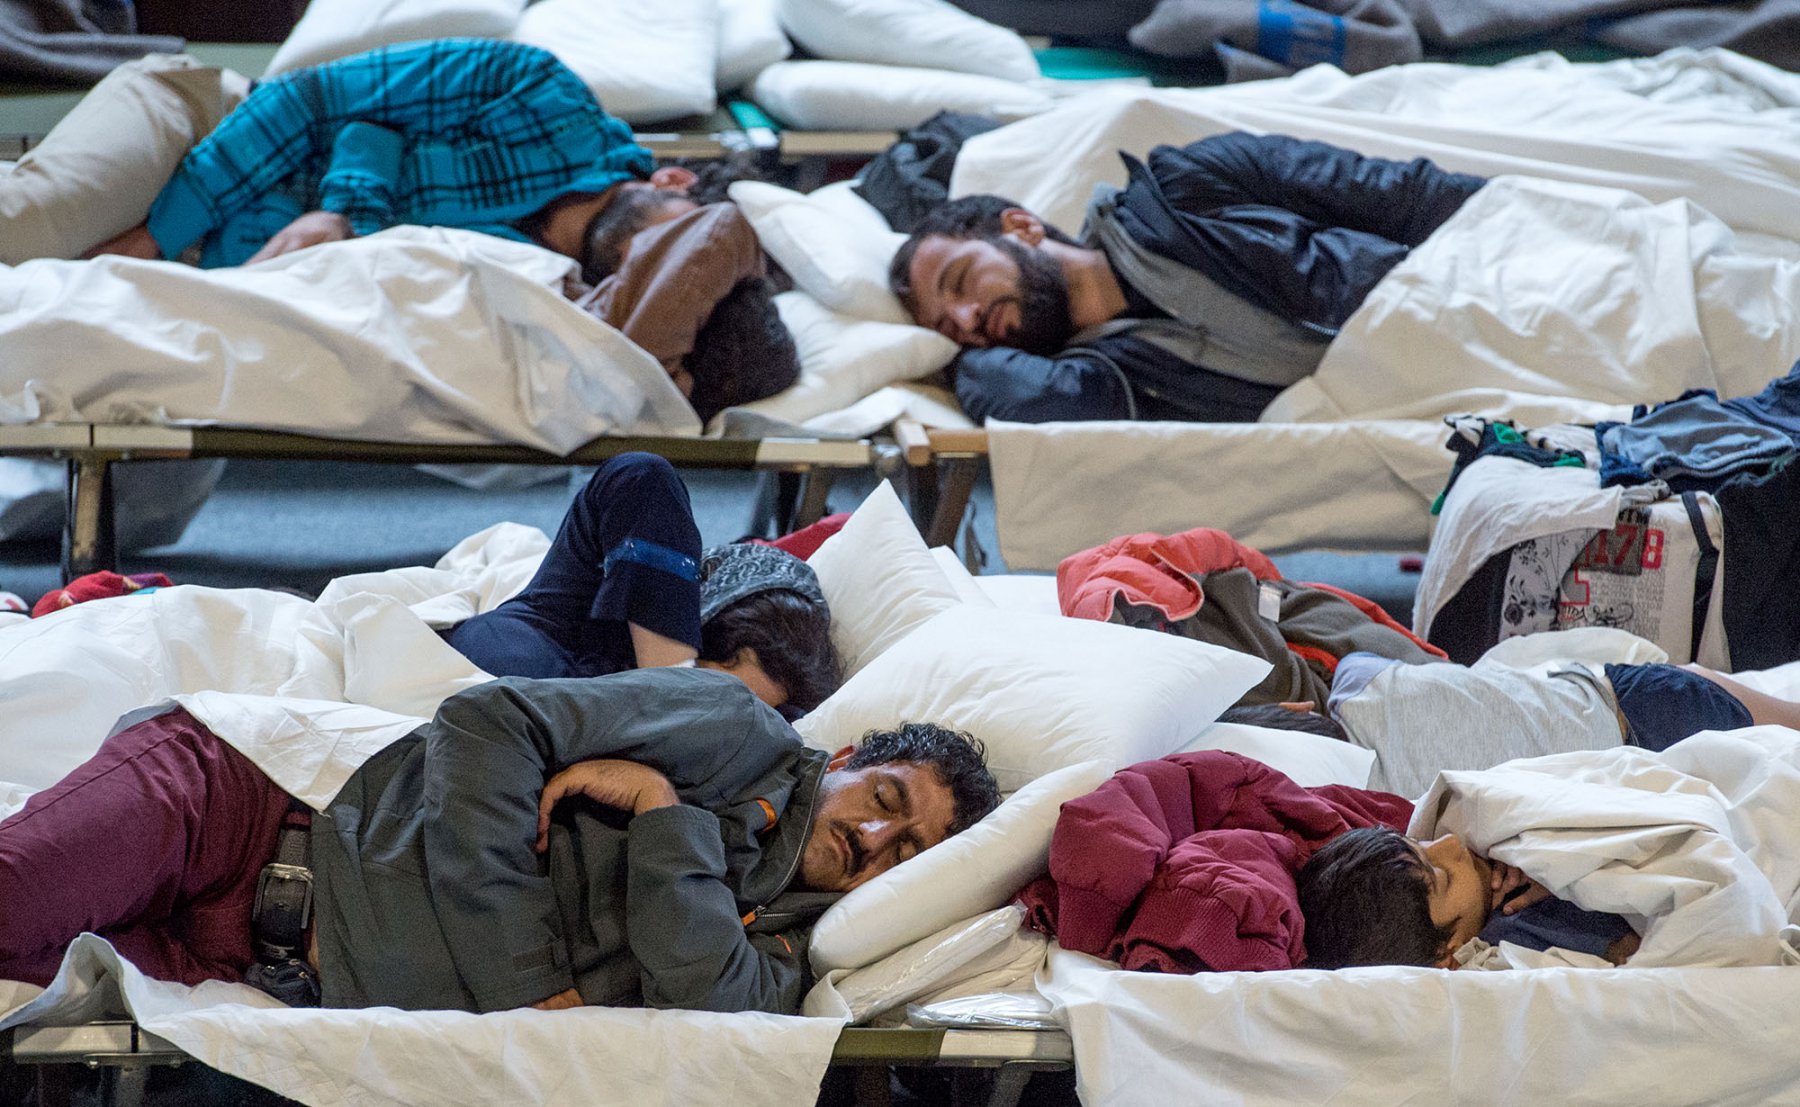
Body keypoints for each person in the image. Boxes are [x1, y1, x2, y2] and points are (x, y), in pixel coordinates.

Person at [0, 667, 1001, 1014]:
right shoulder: (738, 735)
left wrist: (663, 813)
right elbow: (486, 722)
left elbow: (709, 991)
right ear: (849, 756)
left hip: (240, 970)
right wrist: (527, 976)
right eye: (885, 797)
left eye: (908, 850)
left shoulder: (797, 950)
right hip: (241, 811)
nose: (875, 836)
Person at [888, 131, 1486, 423]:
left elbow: (1405, 196)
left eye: (962, 281)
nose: (967, 318)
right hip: (1434, 407)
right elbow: (1032, 397)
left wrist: (1518, 225)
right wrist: (956, 362)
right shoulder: (1101, 378)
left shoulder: (1189, 184)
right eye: (950, 329)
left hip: (1465, 305)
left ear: (1021, 227)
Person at [85, 38, 718, 277]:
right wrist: (157, 235)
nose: (673, 257)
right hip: (206, 134)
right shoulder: (542, 95)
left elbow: (373, 141)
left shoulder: (545, 283)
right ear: (673, 179)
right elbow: (312, 100)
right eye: (687, 234)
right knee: (35, 228)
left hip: (208, 269)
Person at [445, 452, 840, 715]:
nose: (709, 713)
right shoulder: (558, 623)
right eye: (712, 691)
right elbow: (641, 476)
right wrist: (673, 678)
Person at [1224, 655, 1800, 798]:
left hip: (1634, 780)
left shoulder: (1382, 811)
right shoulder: (1358, 682)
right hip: (1639, 701)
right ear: (1299, 711)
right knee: (1698, 678)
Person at [1297, 825, 1641, 970]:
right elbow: (1638, 952)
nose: (1451, 843)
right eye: (1442, 877)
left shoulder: (1503, 874)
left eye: (1419, 843)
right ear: (1446, 954)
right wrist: (1568, 875)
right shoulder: (1519, 931)